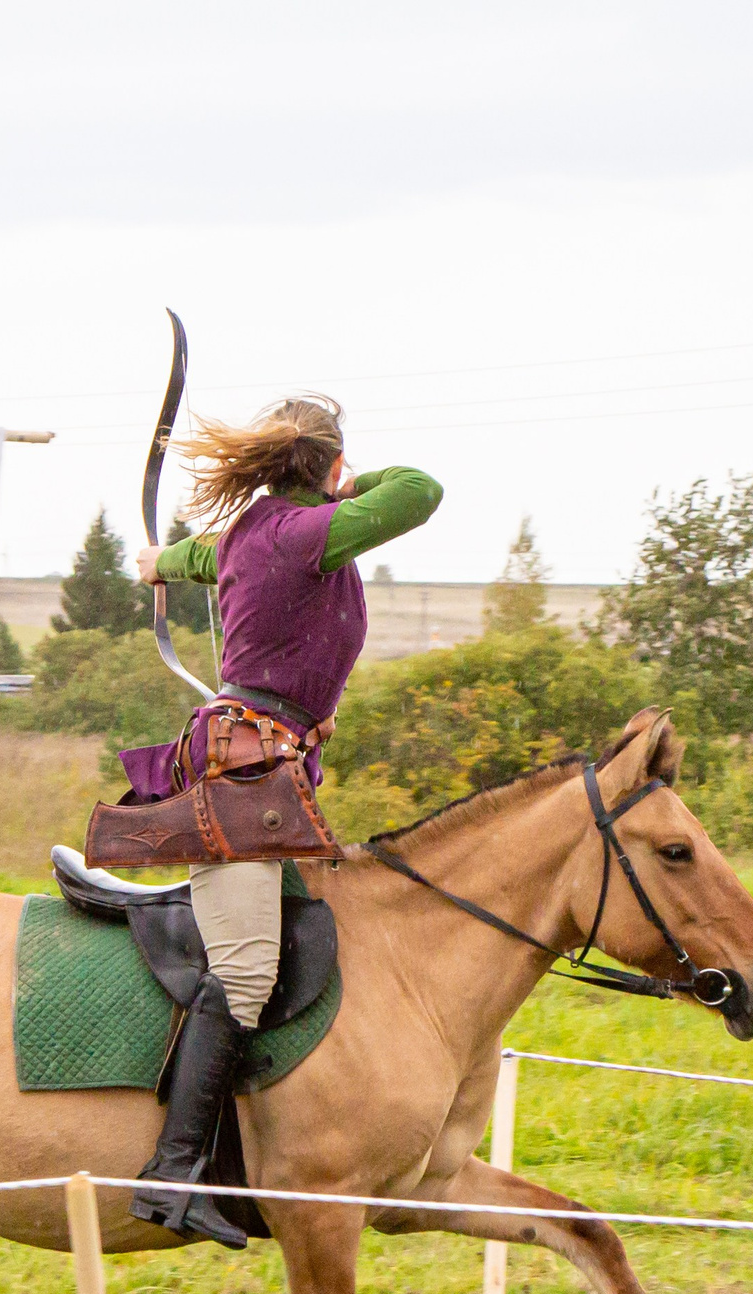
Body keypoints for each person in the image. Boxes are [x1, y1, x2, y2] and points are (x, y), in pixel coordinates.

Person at [123, 395, 442, 1241]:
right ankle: (175, 1173)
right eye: (339, 469)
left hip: (274, 774)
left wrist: (161, 563)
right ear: (332, 469)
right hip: (244, 775)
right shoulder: (309, 532)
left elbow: (194, 555)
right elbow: (419, 488)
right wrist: (345, 487)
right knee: (248, 973)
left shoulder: (250, 536)